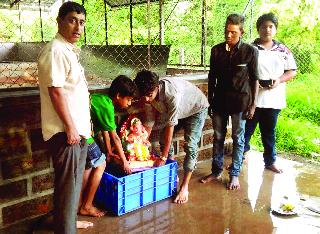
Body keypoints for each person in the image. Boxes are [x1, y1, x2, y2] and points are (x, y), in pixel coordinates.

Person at [38, 2, 93, 233]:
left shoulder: (67, 50)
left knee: (71, 188)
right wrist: (71, 128)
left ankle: (68, 224)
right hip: (65, 134)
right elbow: (56, 91)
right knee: (68, 190)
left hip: (75, 132)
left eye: (81, 22)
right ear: (59, 21)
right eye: (72, 20)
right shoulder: (56, 50)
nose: (77, 27)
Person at [201, 13, 259, 190]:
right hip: (219, 101)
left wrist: (253, 104)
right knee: (218, 137)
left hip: (240, 102)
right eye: (227, 32)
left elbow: (255, 78)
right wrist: (210, 100)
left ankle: (234, 174)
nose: (228, 36)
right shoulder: (216, 50)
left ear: (241, 32)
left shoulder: (250, 51)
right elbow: (212, 78)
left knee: (237, 138)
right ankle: (216, 170)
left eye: (233, 32)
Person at [134, 70, 209, 204]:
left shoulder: (172, 94)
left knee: (190, 145)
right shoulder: (147, 94)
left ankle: (185, 186)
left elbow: (170, 126)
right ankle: (172, 173)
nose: (146, 99)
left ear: (157, 87)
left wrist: (163, 157)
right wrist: (141, 141)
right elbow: (149, 122)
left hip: (196, 109)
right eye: (143, 96)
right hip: (180, 112)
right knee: (163, 141)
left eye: (149, 95)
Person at [244, 13, 297, 173]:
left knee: (269, 132)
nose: (267, 29)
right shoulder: (250, 48)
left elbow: (292, 71)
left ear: (275, 29)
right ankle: (239, 159)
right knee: (246, 131)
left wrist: (279, 80)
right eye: (263, 26)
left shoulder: (283, 49)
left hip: (273, 99)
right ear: (258, 29)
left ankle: (270, 161)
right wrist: (254, 81)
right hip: (252, 99)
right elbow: (242, 71)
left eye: (270, 26)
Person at [90, 75, 136, 175]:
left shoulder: (104, 99)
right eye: (128, 99)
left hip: (81, 131)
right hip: (80, 134)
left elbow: (105, 129)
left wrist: (109, 151)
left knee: (89, 167)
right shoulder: (107, 107)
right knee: (100, 165)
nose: (129, 103)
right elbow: (115, 138)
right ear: (118, 96)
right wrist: (125, 162)